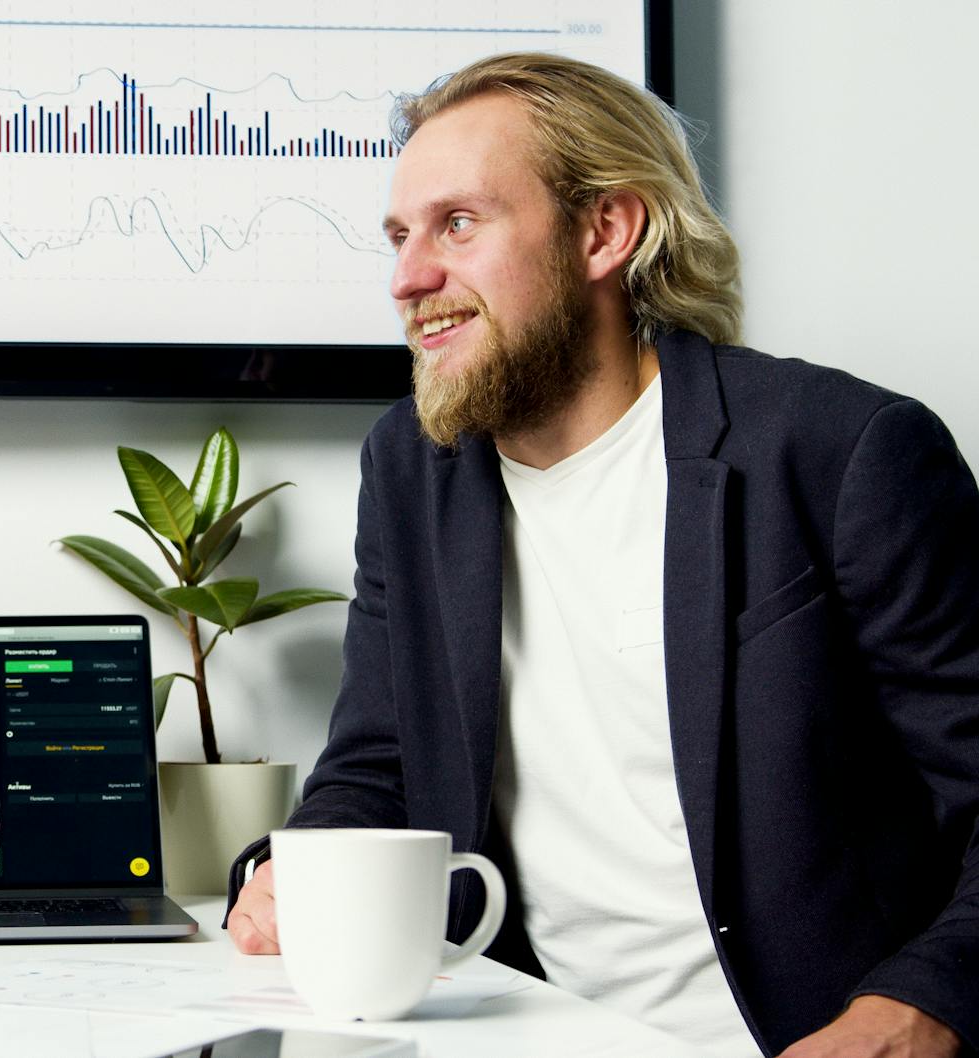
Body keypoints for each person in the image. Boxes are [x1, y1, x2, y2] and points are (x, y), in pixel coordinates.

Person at [222, 52, 978, 1058]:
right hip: (519, 1031)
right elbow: (377, 763)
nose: (408, 277)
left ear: (602, 232)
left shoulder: (841, 449)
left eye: (457, 223)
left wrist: (914, 1011)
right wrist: (290, 867)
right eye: (399, 236)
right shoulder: (412, 466)